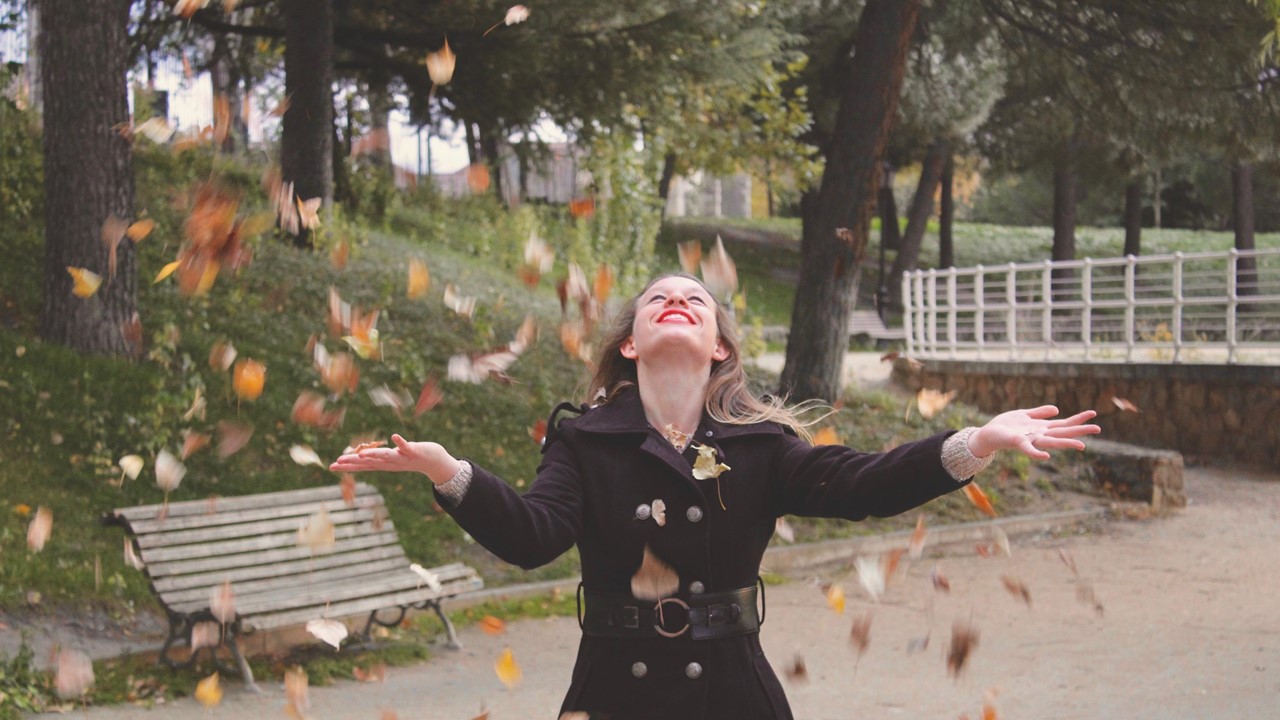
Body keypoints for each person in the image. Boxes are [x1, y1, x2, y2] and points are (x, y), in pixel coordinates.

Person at [330, 273, 1101, 720]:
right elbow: (534, 536)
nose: (677, 302)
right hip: (613, 689)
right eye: (658, 299)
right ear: (629, 343)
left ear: (720, 347)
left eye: (695, 301)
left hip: (732, 692)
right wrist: (448, 473)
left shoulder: (761, 447)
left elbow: (860, 484)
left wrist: (973, 443)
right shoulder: (584, 440)